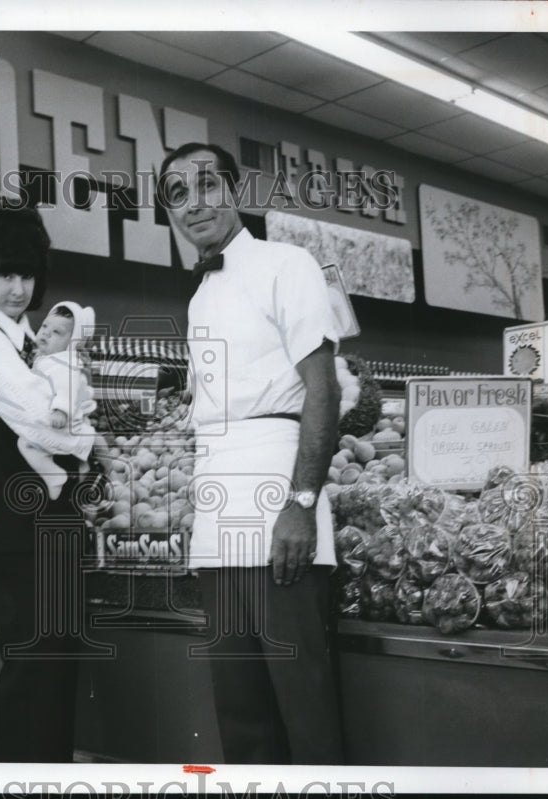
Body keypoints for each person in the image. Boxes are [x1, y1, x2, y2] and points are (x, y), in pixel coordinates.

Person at [156, 142, 344, 764]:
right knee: (238, 708)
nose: (194, 203)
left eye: (207, 185)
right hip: (218, 512)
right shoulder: (199, 297)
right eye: (177, 193)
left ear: (235, 192)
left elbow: (323, 387)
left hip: (276, 500)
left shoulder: (286, 264)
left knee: (303, 703)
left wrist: (302, 503)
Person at [0, 200, 92, 762]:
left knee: (60, 655)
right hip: (8, 515)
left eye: (26, 274)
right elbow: (42, 416)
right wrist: (88, 440)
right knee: (32, 659)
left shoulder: (33, 339)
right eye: (5, 274)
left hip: (49, 514)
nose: (17, 288)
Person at [16, 301, 100, 500]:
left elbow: (66, 388)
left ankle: (54, 476)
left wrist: (60, 411)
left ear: (72, 343)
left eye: (56, 332)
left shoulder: (64, 364)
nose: (45, 333)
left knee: (26, 444)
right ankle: (77, 470)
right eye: (44, 326)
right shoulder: (47, 359)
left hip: (61, 423)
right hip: (58, 426)